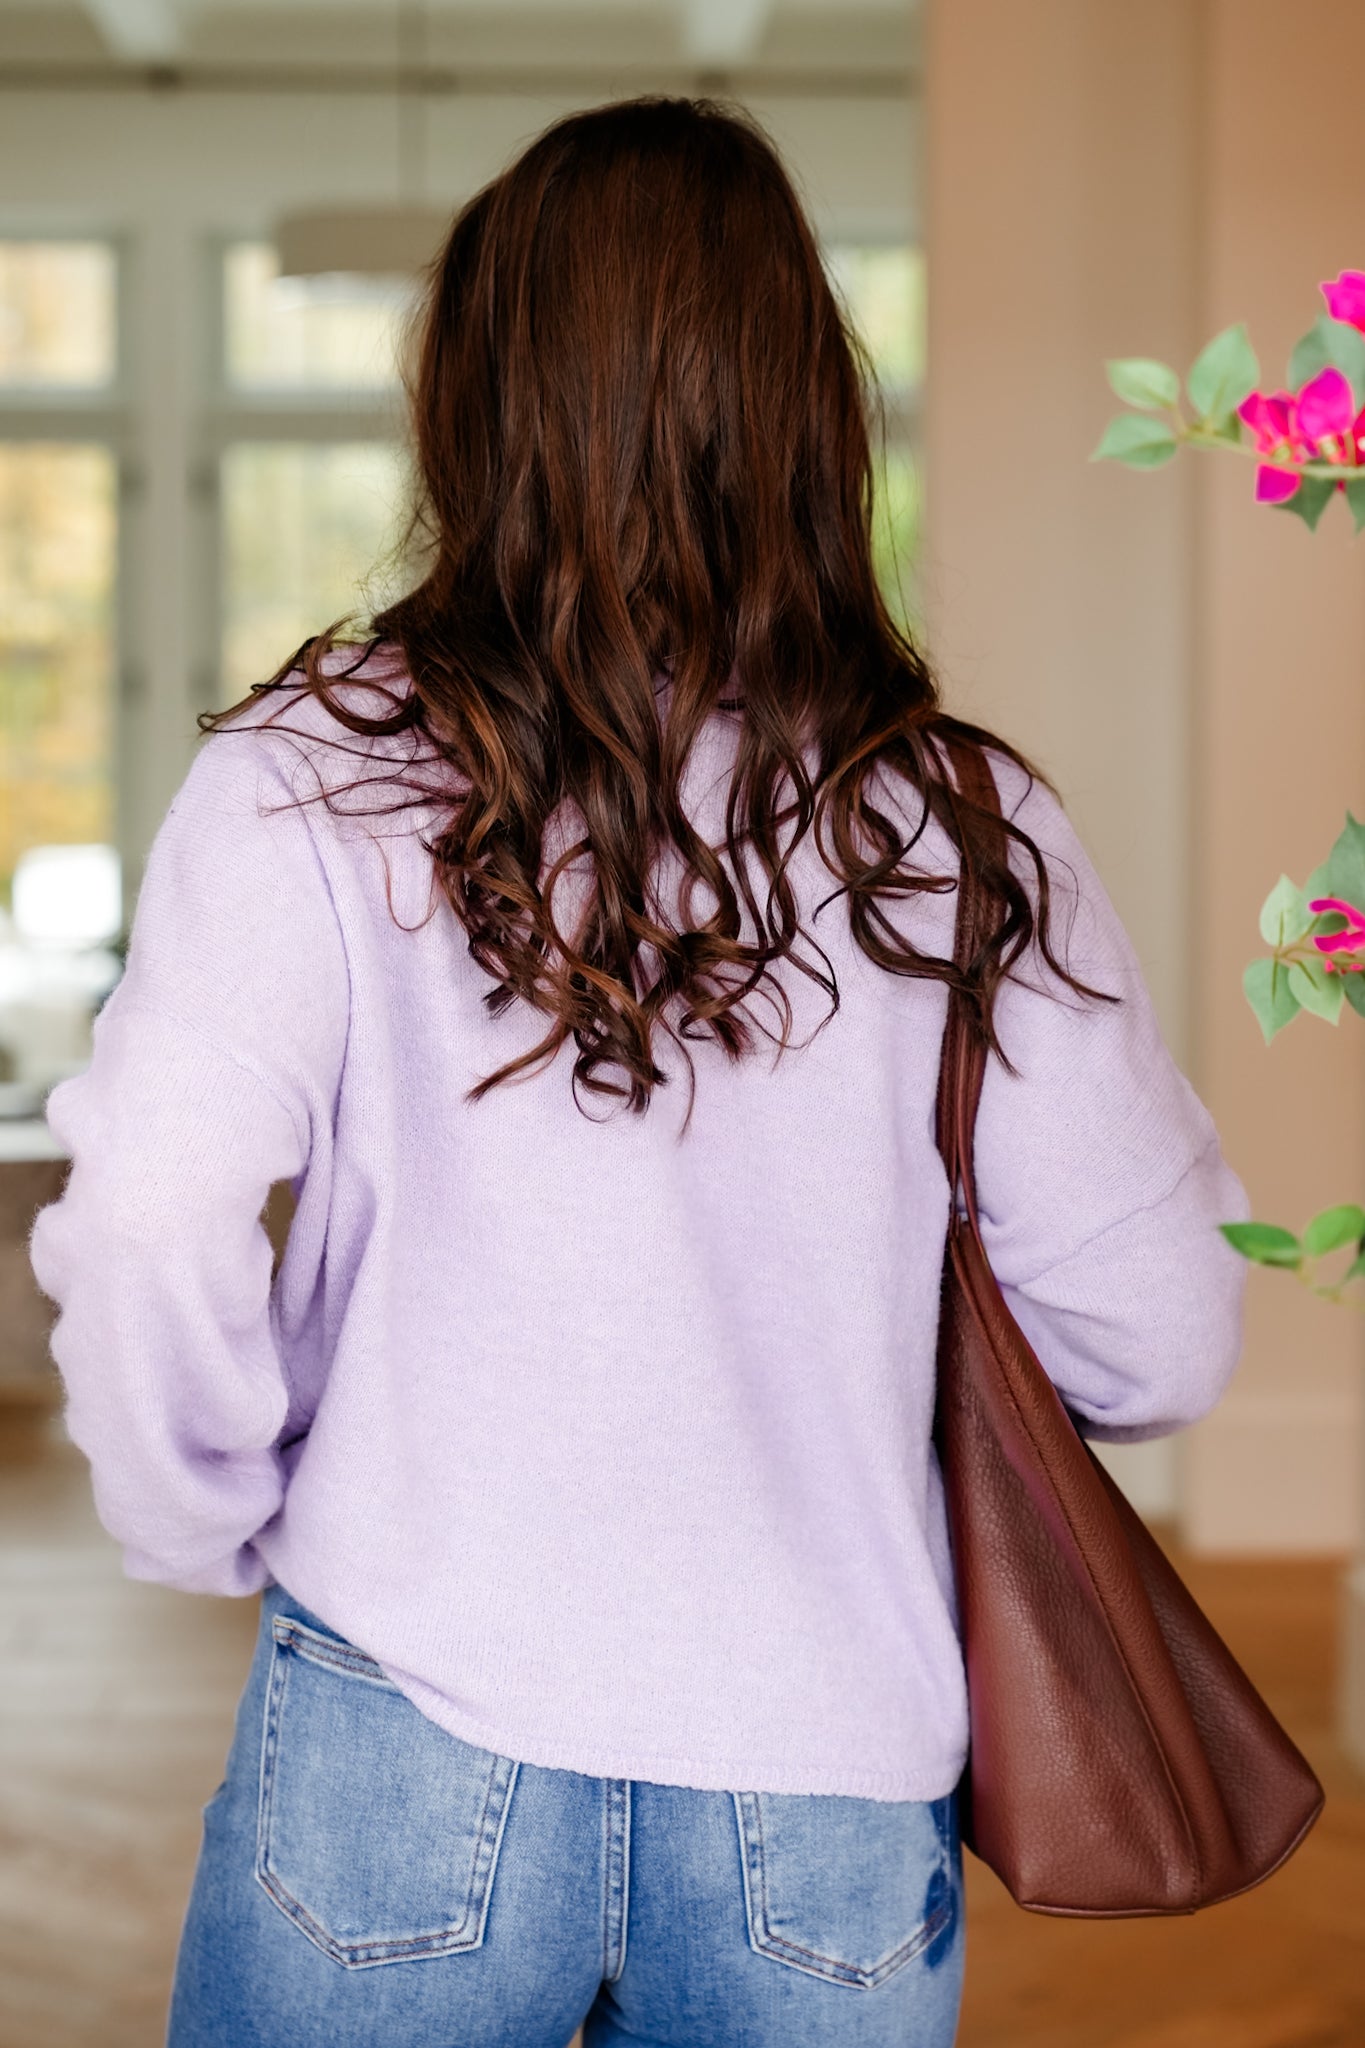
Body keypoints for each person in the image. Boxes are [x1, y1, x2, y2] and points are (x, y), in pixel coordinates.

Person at [29, 96, 1248, 2048]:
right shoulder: (950, 813)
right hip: (821, 1772)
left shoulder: (307, 778)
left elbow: (158, 1217)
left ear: (473, 402)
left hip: (397, 1737)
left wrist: (205, 1514)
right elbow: (1162, 1336)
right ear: (804, 408)